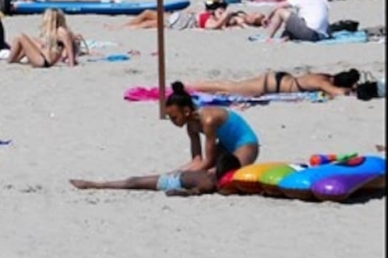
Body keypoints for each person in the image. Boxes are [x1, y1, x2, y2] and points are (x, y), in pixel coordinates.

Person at [70, 83, 260, 195]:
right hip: (226, 145)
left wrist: (179, 175)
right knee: (204, 175)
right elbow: (196, 160)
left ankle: (189, 190)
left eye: (174, 117)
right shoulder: (191, 126)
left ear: (186, 111)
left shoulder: (208, 120)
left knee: (216, 179)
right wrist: (172, 173)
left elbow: (208, 160)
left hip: (246, 143)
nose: (172, 122)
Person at [181, 69, 365, 100]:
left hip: (278, 79)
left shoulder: (324, 75)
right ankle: (190, 86)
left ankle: (191, 85)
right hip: (270, 85)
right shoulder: (322, 82)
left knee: (229, 85)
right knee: (227, 86)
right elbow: (337, 93)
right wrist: (350, 91)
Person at [6, 8, 81, 67]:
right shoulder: (56, 32)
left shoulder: (62, 32)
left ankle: (10, 60)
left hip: (44, 61)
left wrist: (72, 64)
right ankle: (14, 60)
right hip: (43, 58)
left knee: (20, 37)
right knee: (30, 40)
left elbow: (69, 49)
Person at [265, 0, 329, 42]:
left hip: (310, 33)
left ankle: (268, 37)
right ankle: (286, 37)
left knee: (280, 11)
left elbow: (278, 6)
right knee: (294, 21)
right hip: (321, 35)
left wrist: (267, 17)